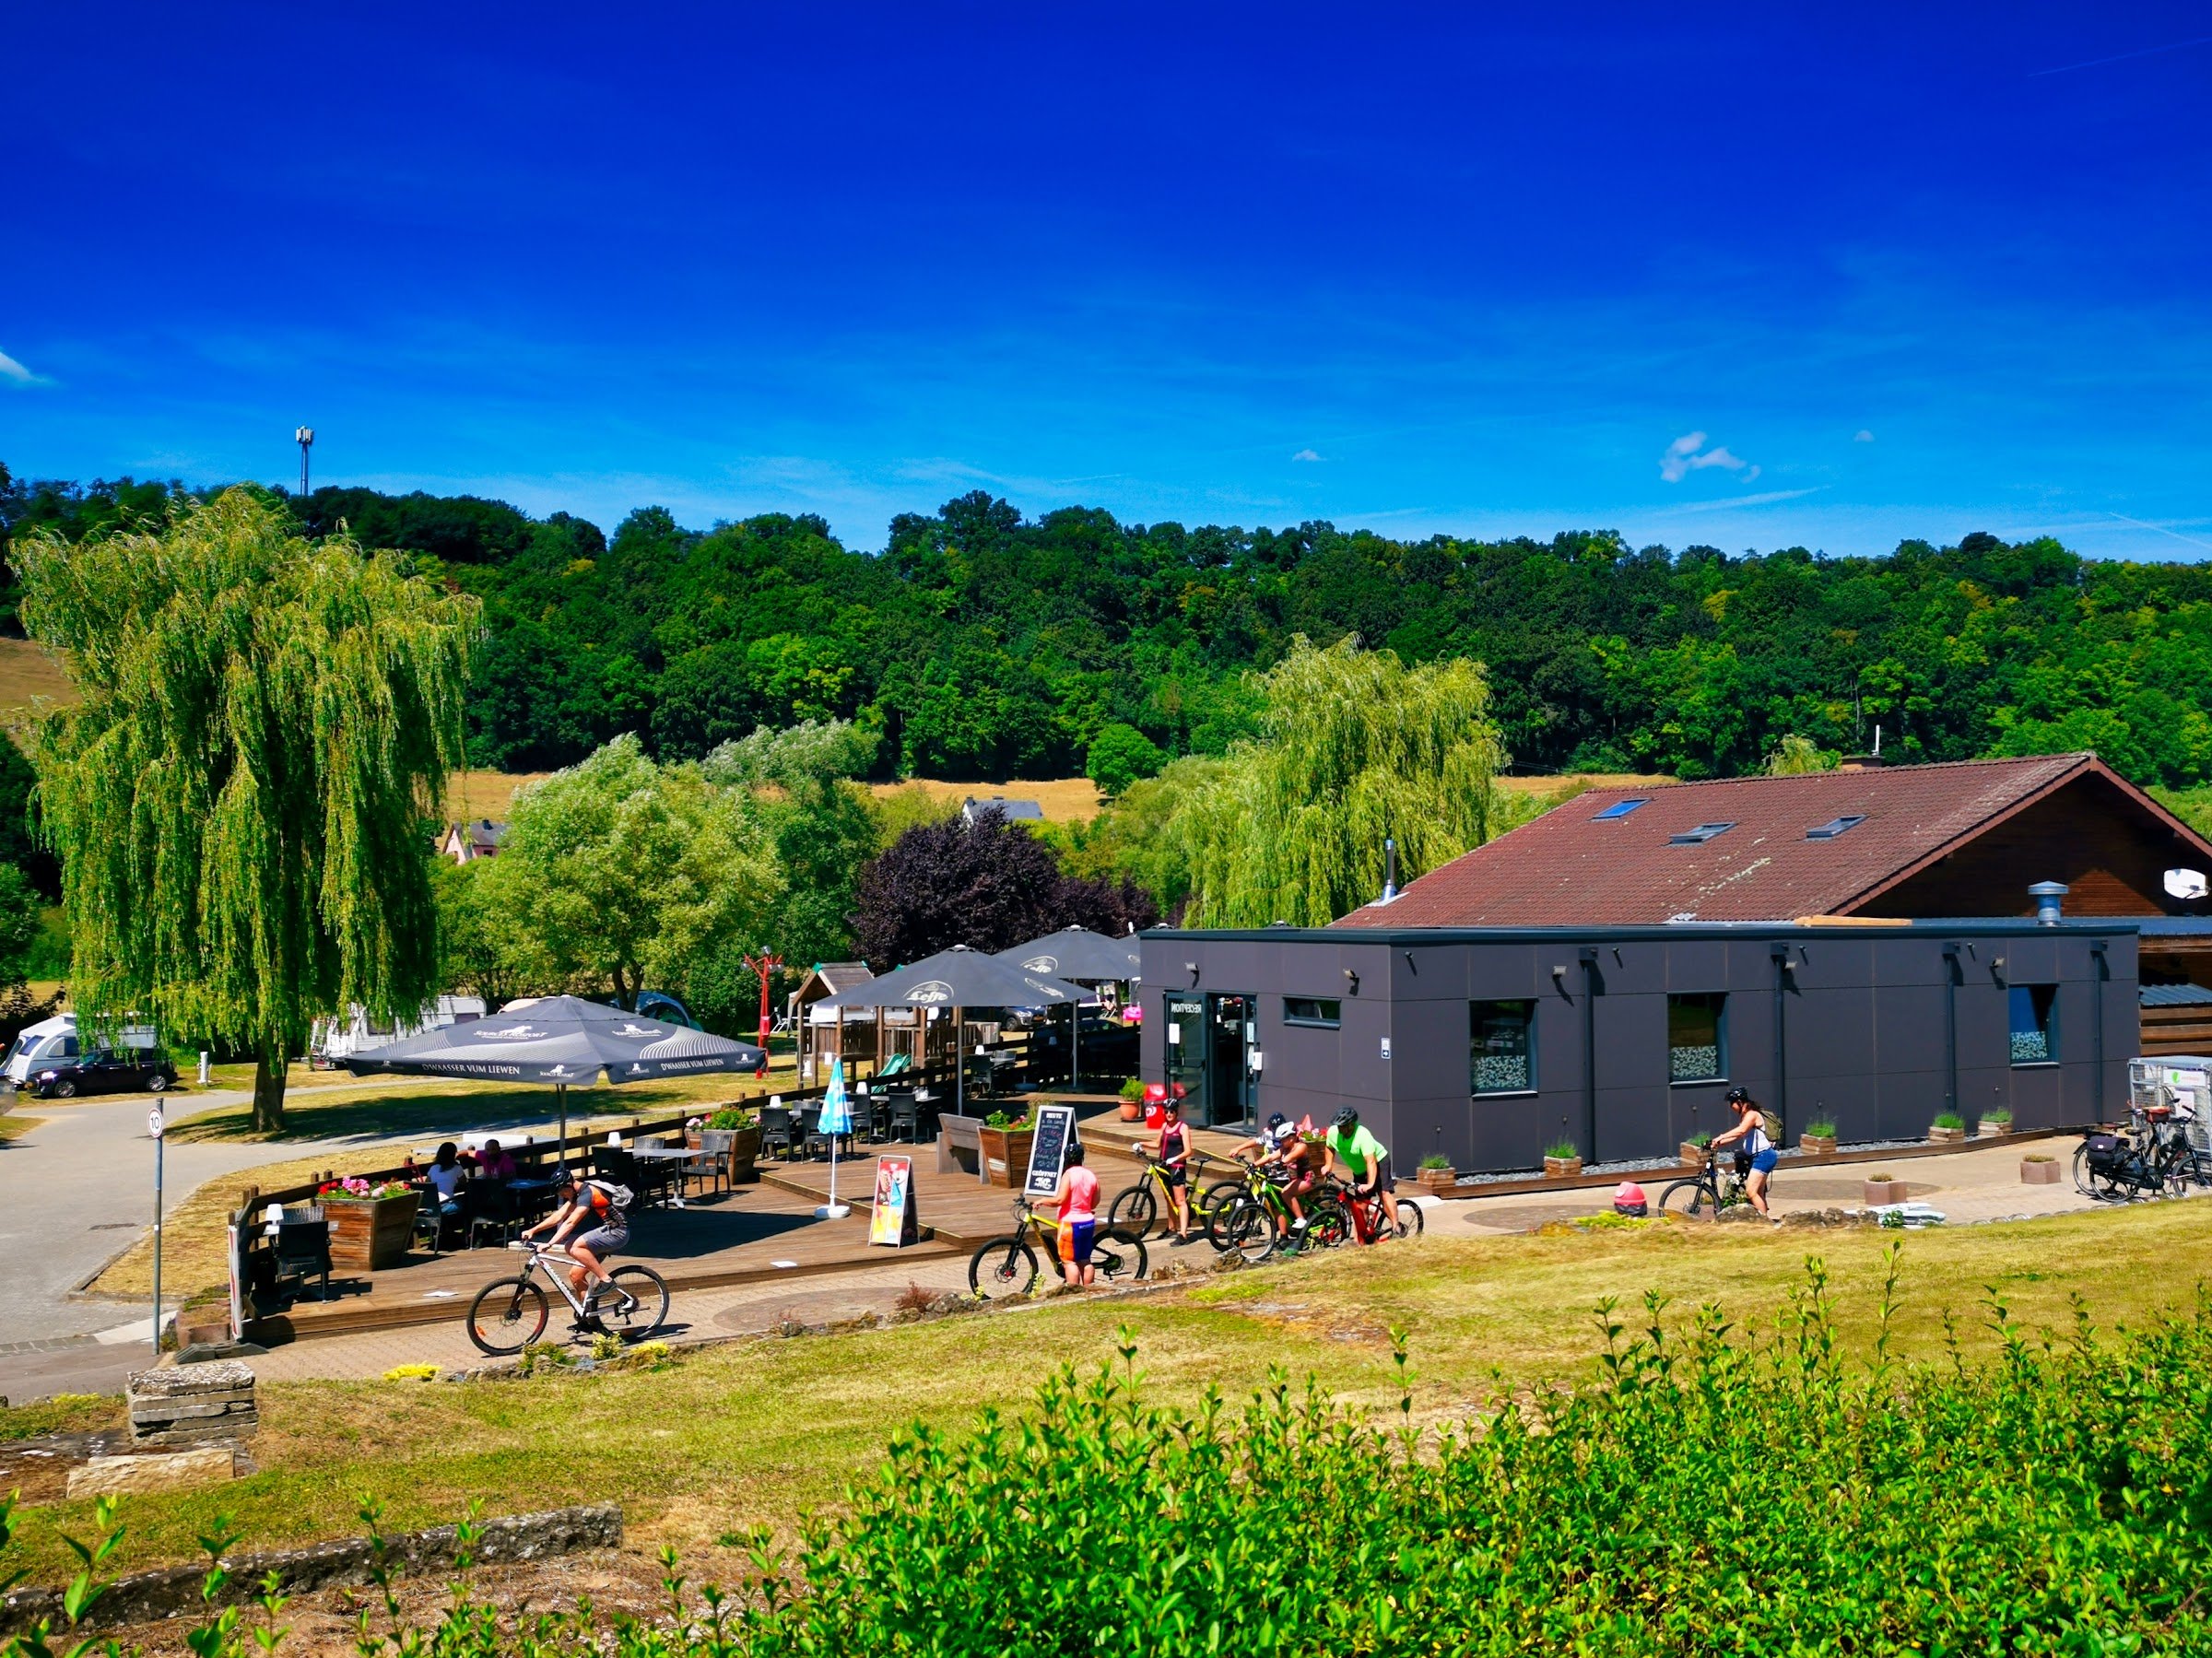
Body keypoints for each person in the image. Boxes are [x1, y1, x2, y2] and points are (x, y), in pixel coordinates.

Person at [522, 1169, 636, 1327]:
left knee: (574, 1247)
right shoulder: (578, 1194)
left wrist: (550, 1243)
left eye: (561, 1192)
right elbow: (558, 1217)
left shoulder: (587, 1192)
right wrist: (533, 1230)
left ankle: (606, 1280)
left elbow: (570, 1222)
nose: (562, 1196)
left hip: (617, 1232)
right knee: (576, 1275)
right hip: (606, 1233)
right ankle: (588, 1318)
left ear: (568, 1185)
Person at [1323, 1106, 1399, 1240]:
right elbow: (1329, 1147)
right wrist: (1328, 1165)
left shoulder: (1363, 1135)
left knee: (1384, 1193)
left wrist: (1370, 1184)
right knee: (1361, 1204)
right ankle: (1365, 1236)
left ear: (1351, 1125)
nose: (1339, 1129)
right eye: (1338, 1126)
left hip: (1379, 1162)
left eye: (1343, 1126)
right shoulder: (1333, 1132)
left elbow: (1371, 1162)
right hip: (1359, 1169)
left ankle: (1396, 1227)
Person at [1709, 1088, 1780, 1220]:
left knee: (1751, 1192)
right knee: (1758, 1192)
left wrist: (1721, 1136)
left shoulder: (1752, 1115)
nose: (1731, 1107)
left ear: (1740, 1102)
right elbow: (1738, 1136)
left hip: (1764, 1156)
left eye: (1732, 1103)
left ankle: (1764, 1223)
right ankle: (1765, 1222)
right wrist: (1719, 1142)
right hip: (1759, 1157)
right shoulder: (1745, 1116)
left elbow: (1741, 1131)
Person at [1048, 1141, 1101, 1288]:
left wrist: (1042, 1201)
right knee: (1085, 1259)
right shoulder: (1090, 1175)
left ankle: (1074, 1294)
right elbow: (1095, 1200)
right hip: (1087, 1222)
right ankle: (1089, 1290)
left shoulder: (1068, 1175)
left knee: (1069, 1261)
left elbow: (1060, 1199)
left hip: (1070, 1224)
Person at [1151, 1095, 1195, 1243]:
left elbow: (1189, 1151)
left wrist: (1175, 1158)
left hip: (1176, 1167)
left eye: (1171, 1111)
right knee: (1168, 1198)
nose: (1169, 1114)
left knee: (1180, 1200)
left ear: (1176, 1112)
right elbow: (1157, 1143)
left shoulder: (1183, 1127)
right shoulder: (1165, 1126)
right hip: (1164, 1166)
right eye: (1166, 1111)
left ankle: (1183, 1234)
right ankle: (1171, 1228)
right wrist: (1139, 1143)